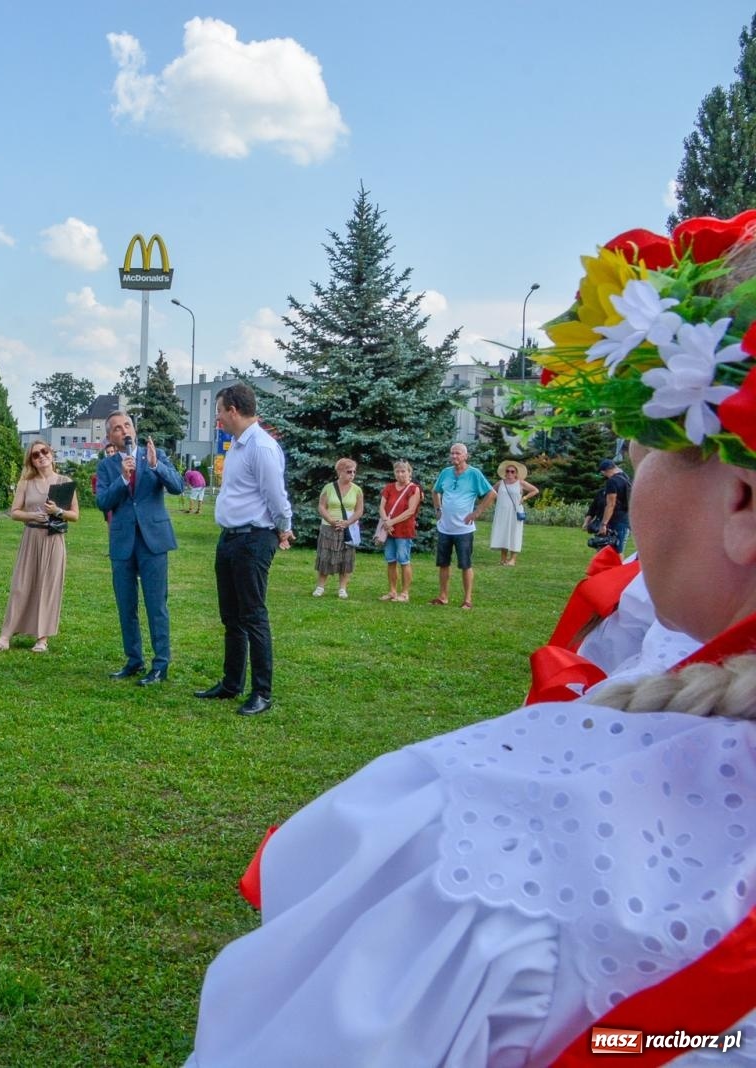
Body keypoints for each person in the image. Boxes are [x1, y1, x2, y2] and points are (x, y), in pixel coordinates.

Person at [184, 215, 756, 1067]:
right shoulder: (666, 660)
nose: (634, 480)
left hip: (264, 546)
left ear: (741, 499)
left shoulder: (505, 855)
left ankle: (255, 683)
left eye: (646, 450)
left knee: (252, 623)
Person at [196, 385, 293, 715]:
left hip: (254, 539)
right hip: (230, 538)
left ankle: (262, 692)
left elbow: (276, 497)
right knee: (231, 616)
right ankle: (231, 683)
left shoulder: (262, 447)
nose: (217, 417)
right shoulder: (237, 445)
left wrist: (284, 527)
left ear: (234, 410)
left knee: (252, 616)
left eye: (219, 410)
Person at [94, 410, 183, 685]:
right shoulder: (107, 467)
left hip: (153, 539)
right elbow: (102, 502)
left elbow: (178, 486)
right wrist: (122, 478)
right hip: (123, 542)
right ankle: (134, 660)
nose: (125, 431)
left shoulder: (153, 455)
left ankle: (160, 665)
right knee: (126, 604)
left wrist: (157, 466)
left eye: (128, 425)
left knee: (156, 604)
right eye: (118, 429)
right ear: (110, 436)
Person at [0, 441, 78, 654]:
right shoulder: (25, 483)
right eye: (35, 455)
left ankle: (42, 638)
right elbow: (15, 512)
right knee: (21, 585)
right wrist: (31, 515)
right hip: (31, 536)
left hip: (53, 539)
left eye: (44, 452)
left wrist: (57, 511)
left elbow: (74, 515)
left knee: (48, 587)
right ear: (32, 461)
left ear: (51, 454)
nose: (41, 456)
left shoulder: (65, 482)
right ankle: (5, 636)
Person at [430, 442, 493, 609]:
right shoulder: (445, 473)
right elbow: (435, 491)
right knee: (443, 563)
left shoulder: (474, 474)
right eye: (452, 453)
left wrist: (477, 512)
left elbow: (491, 493)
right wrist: (438, 508)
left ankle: (467, 600)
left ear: (466, 456)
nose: (454, 456)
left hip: (464, 529)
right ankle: (443, 596)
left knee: (465, 564)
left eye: (458, 453)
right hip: (445, 527)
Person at [312, 458, 363, 599]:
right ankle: (320, 587)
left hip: (348, 528)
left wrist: (347, 522)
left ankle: (342, 588)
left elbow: (359, 510)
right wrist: (331, 520)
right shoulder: (328, 488)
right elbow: (322, 506)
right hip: (329, 527)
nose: (352, 474)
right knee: (325, 557)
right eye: (348, 471)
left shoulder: (357, 490)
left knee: (346, 558)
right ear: (340, 471)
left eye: (354, 472)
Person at [376, 459, 422, 602]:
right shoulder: (389, 487)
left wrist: (391, 522)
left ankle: (405, 593)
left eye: (403, 471)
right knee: (390, 560)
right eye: (397, 471)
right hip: (389, 530)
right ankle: (392, 591)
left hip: (403, 530)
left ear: (409, 472)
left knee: (404, 560)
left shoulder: (414, 489)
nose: (400, 474)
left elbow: (410, 511)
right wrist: (386, 522)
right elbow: (382, 507)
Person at [489, 458, 540, 565]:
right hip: (502, 512)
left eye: (512, 471)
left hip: (515, 512)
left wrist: (524, 498)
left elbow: (535, 490)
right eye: (507, 471)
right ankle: (503, 558)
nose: (509, 473)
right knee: (503, 533)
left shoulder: (520, 483)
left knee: (514, 533)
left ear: (516, 473)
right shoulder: (500, 483)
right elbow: (491, 492)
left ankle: (512, 559)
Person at [597, 457, 632, 553]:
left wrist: (603, 524)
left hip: (615, 520)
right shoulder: (626, 478)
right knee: (619, 551)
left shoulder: (612, 482)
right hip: (625, 518)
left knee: (609, 552)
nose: (604, 475)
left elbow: (611, 504)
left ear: (606, 471)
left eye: (603, 473)